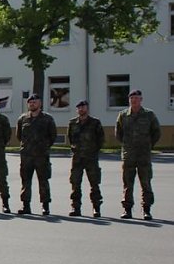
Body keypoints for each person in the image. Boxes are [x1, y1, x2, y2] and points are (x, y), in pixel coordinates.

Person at [115, 89, 161, 220]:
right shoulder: (123, 115)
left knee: (145, 182)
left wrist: (148, 145)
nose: (133, 100)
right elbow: (118, 133)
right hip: (129, 155)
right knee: (127, 184)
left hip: (143, 155)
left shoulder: (149, 115)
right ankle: (127, 209)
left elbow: (156, 132)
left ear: (141, 99)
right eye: (131, 98)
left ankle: (147, 210)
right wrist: (127, 145)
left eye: (136, 98)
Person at [16, 93, 57, 215]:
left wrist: (43, 147)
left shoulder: (47, 119)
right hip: (26, 156)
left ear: (40, 103)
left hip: (41, 156)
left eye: (35, 101)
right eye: (30, 102)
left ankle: (45, 206)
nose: (32, 103)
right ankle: (26, 205)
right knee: (25, 181)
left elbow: (52, 136)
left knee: (43, 181)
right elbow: (19, 136)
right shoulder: (22, 119)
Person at [67, 100, 105, 218]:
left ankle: (96, 207)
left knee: (94, 183)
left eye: (83, 107)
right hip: (77, 158)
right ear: (77, 110)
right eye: (79, 108)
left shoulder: (95, 123)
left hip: (91, 158)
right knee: (75, 183)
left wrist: (93, 150)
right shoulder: (72, 123)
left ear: (87, 108)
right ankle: (75, 207)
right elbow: (70, 138)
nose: (81, 109)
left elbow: (101, 139)